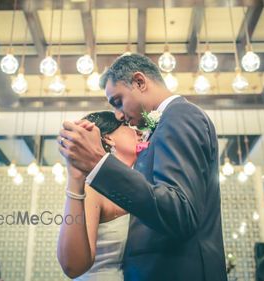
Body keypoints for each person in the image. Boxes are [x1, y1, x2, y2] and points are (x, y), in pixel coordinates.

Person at [58, 53, 227, 280]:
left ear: (140, 82)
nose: (119, 115)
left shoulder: (179, 115)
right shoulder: (161, 127)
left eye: (118, 101)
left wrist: (100, 164)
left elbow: (179, 211)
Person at [57, 111, 140, 280]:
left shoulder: (138, 185)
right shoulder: (93, 188)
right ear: (109, 138)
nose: (137, 131)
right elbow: (72, 267)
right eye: (127, 126)